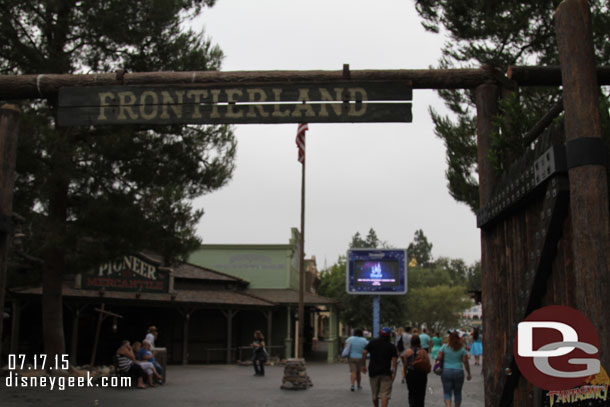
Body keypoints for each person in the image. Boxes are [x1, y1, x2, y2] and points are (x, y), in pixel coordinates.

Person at [361, 327, 398, 407]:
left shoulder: (373, 342)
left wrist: (363, 365)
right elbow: (394, 360)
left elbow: (364, 352)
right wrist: (394, 372)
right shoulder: (391, 346)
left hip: (373, 372)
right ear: (389, 335)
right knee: (385, 395)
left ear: (380, 334)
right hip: (386, 373)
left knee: (375, 394)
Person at [436, 331, 471, 407]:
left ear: (449, 338)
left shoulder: (445, 346)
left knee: (447, 392)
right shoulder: (462, 348)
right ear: (458, 338)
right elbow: (465, 361)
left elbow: (439, 357)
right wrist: (468, 373)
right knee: (458, 393)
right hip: (458, 371)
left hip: (446, 371)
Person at [403, 334, 429, 407]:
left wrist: (404, 375)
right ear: (419, 342)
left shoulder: (407, 352)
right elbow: (427, 363)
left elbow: (405, 365)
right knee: (421, 394)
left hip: (411, 374)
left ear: (411, 342)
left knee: (412, 394)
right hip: (421, 374)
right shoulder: (423, 352)